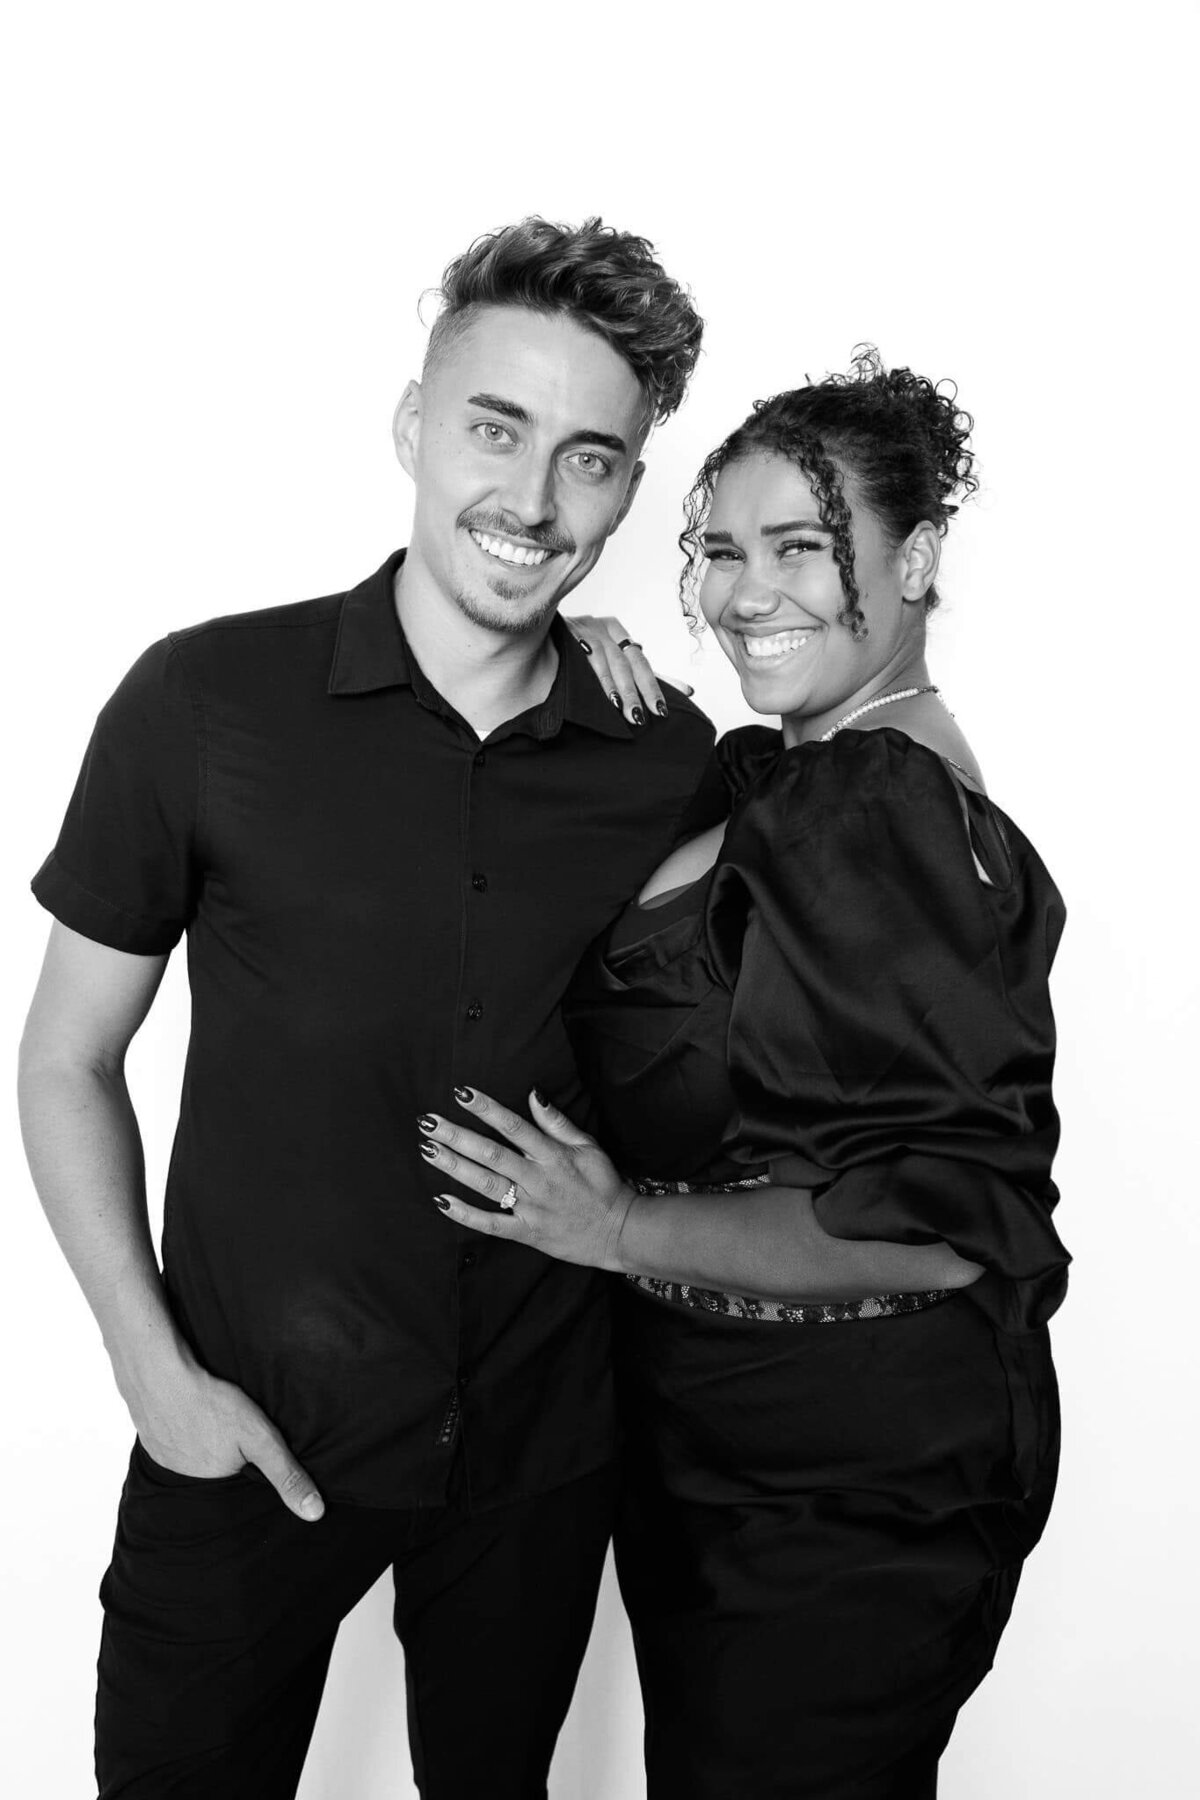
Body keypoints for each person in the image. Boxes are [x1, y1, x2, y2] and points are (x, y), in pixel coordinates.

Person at [17, 217, 715, 1800]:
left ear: (628, 483)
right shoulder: (200, 703)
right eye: (496, 427)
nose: (534, 501)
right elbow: (64, 1059)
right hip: (248, 1434)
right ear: (413, 425)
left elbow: (721, 1043)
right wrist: (150, 1376)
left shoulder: (659, 754)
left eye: (592, 459)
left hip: (542, 1454)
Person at [422, 349, 1069, 1798]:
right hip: (728, 1447)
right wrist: (573, 668)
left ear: (916, 557)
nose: (744, 593)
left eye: (801, 549)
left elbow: (927, 1228)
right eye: (720, 550)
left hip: (842, 1496)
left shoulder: (878, 800)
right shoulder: (792, 771)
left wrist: (612, 1229)